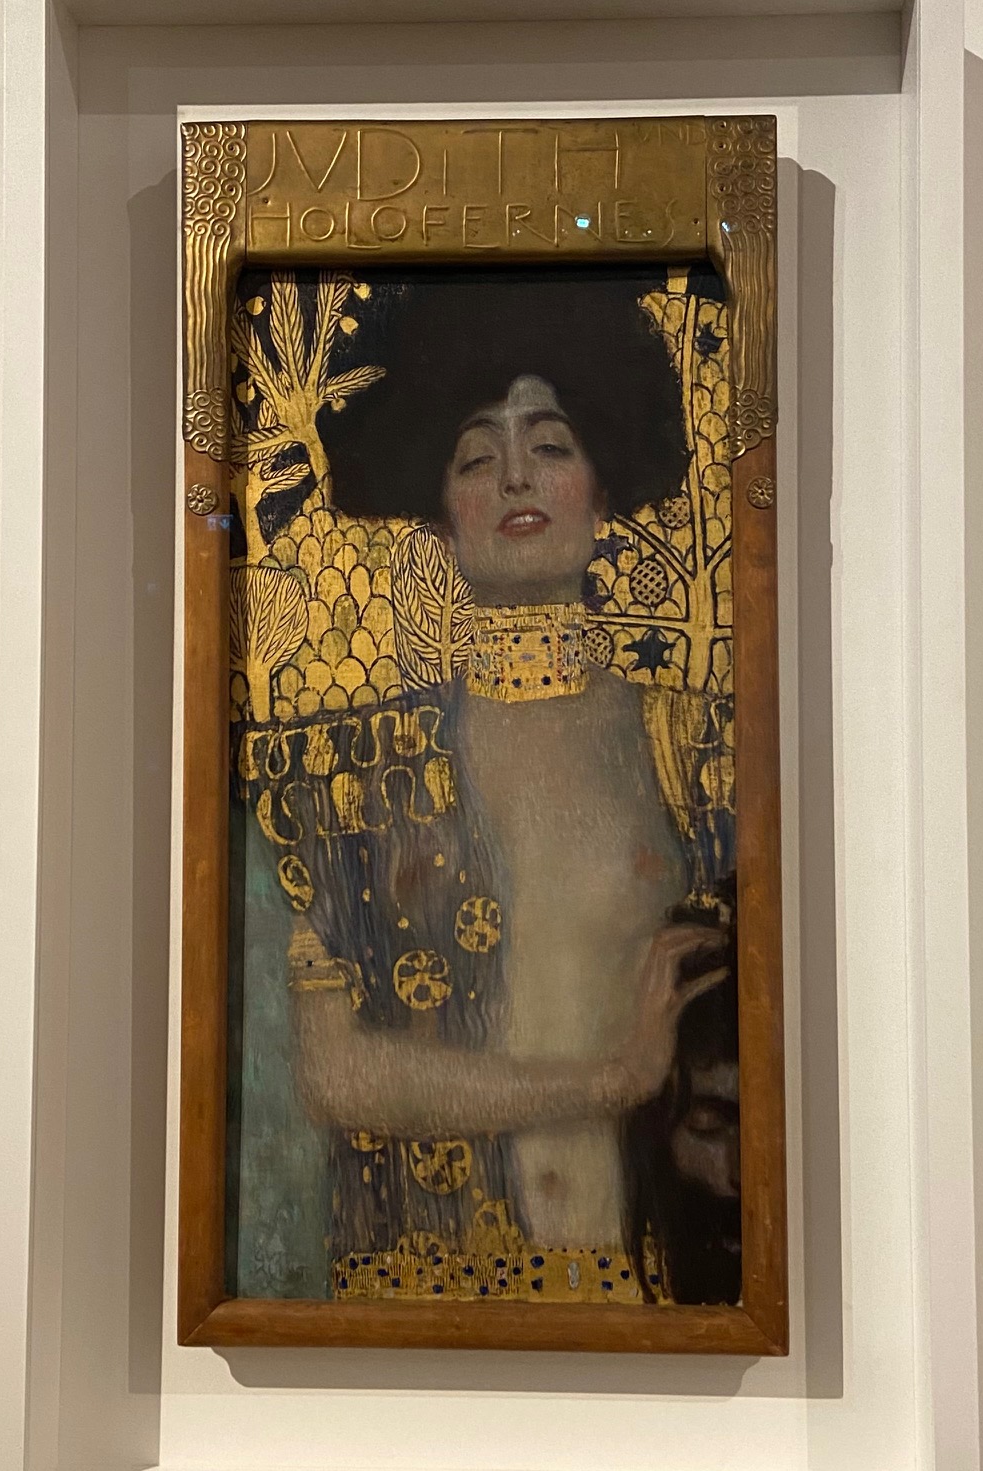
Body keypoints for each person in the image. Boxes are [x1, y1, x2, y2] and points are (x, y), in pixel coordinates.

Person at [250, 268, 738, 1302]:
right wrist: (611, 1079)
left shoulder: (697, 749)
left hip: (652, 1284)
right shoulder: (356, 769)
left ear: (603, 490)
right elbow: (333, 1074)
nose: (516, 477)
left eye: (550, 446)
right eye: (478, 456)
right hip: (420, 1292)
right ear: (439, 513)